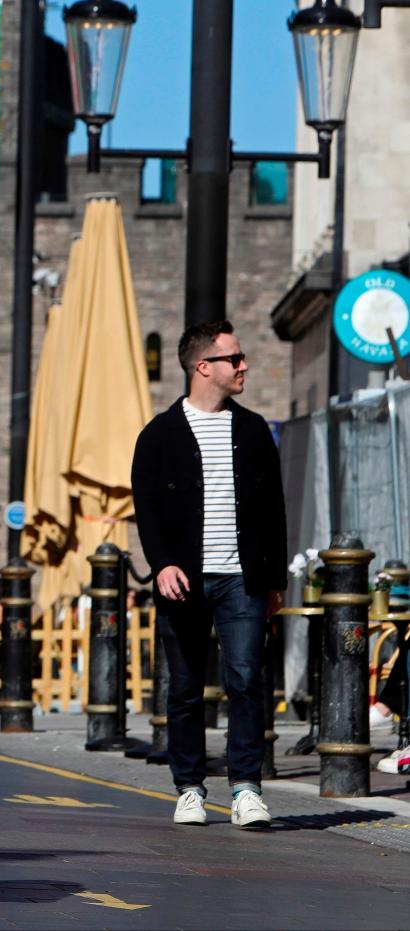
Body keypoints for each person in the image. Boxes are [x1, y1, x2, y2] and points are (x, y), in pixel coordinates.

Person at [131, 320, 287, 830]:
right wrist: (163, 565)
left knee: (245, 680)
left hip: (243, 579)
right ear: (203, 367)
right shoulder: (159, 435)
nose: (243, 366)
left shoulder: (253, 430)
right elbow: (147, 509)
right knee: (185, 687)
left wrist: (276, 580)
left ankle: (245, 787)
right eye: (233, 358)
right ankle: (190, 788)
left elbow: (273, 508)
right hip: (185, 580)